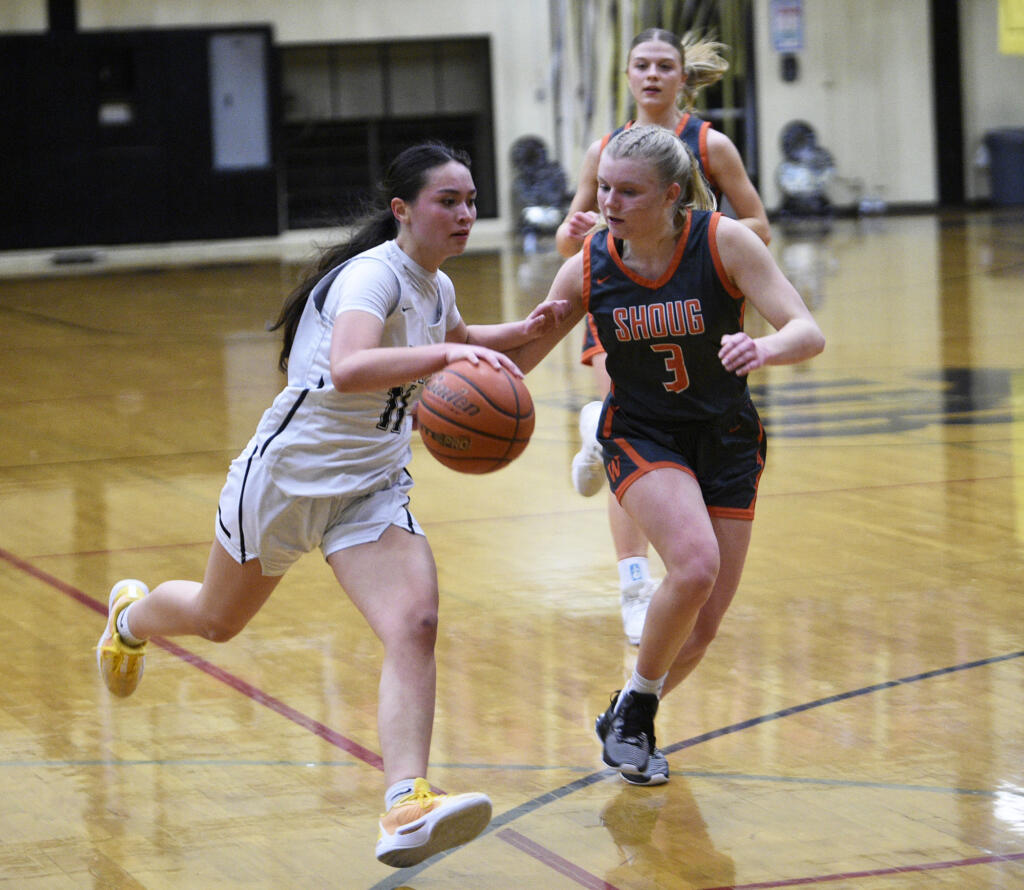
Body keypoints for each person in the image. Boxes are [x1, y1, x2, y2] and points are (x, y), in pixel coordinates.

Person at [95, 142, 568, 868]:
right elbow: (351, 367)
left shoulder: (436, 289)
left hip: (371, 486)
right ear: (403, 210)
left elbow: (473, 349)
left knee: (415, 622)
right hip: (288, 481)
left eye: (472, 201)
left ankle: (406, 803)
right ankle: (129, 618)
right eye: (450, 201)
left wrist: (543, 324)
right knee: (217, 622)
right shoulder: (370, 278)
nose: (466, 214)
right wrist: (449, 358)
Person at [505, 125, 824, 785]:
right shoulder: (589, 263)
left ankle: (629, 707)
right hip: (642, 433)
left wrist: (764, 349)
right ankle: (637, 713)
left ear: (672, 194)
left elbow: (807, 330)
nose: (610, 203)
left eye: (629, 191)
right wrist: (444, 367)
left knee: (701, 629)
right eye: (604, 190)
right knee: (695, 564)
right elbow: (522, 356)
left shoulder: (722, 241)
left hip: (728, 437)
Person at [555, 29, 772, 646]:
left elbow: (758, 221)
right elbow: (569, 243)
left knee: (660, 438)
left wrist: (698, 233)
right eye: (640, 65)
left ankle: (601, 428)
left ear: (682, 77)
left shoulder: (710, 144)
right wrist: (576, 230)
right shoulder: (608, 149)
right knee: (636, 421)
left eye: (663, 66)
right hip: (619, 293)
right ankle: (632, 582)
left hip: (694, 299)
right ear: (626, 77)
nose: (651, 75)